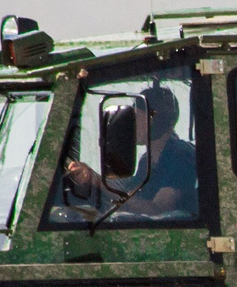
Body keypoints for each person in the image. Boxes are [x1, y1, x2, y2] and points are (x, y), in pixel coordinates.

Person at [61, 82, 197, 220]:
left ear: (157, 121)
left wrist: (101, 184)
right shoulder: (147, 160)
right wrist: (92, 177)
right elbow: (129, 193)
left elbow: (157, 209)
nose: (132, 123)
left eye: (138, 116)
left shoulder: (181, 156)